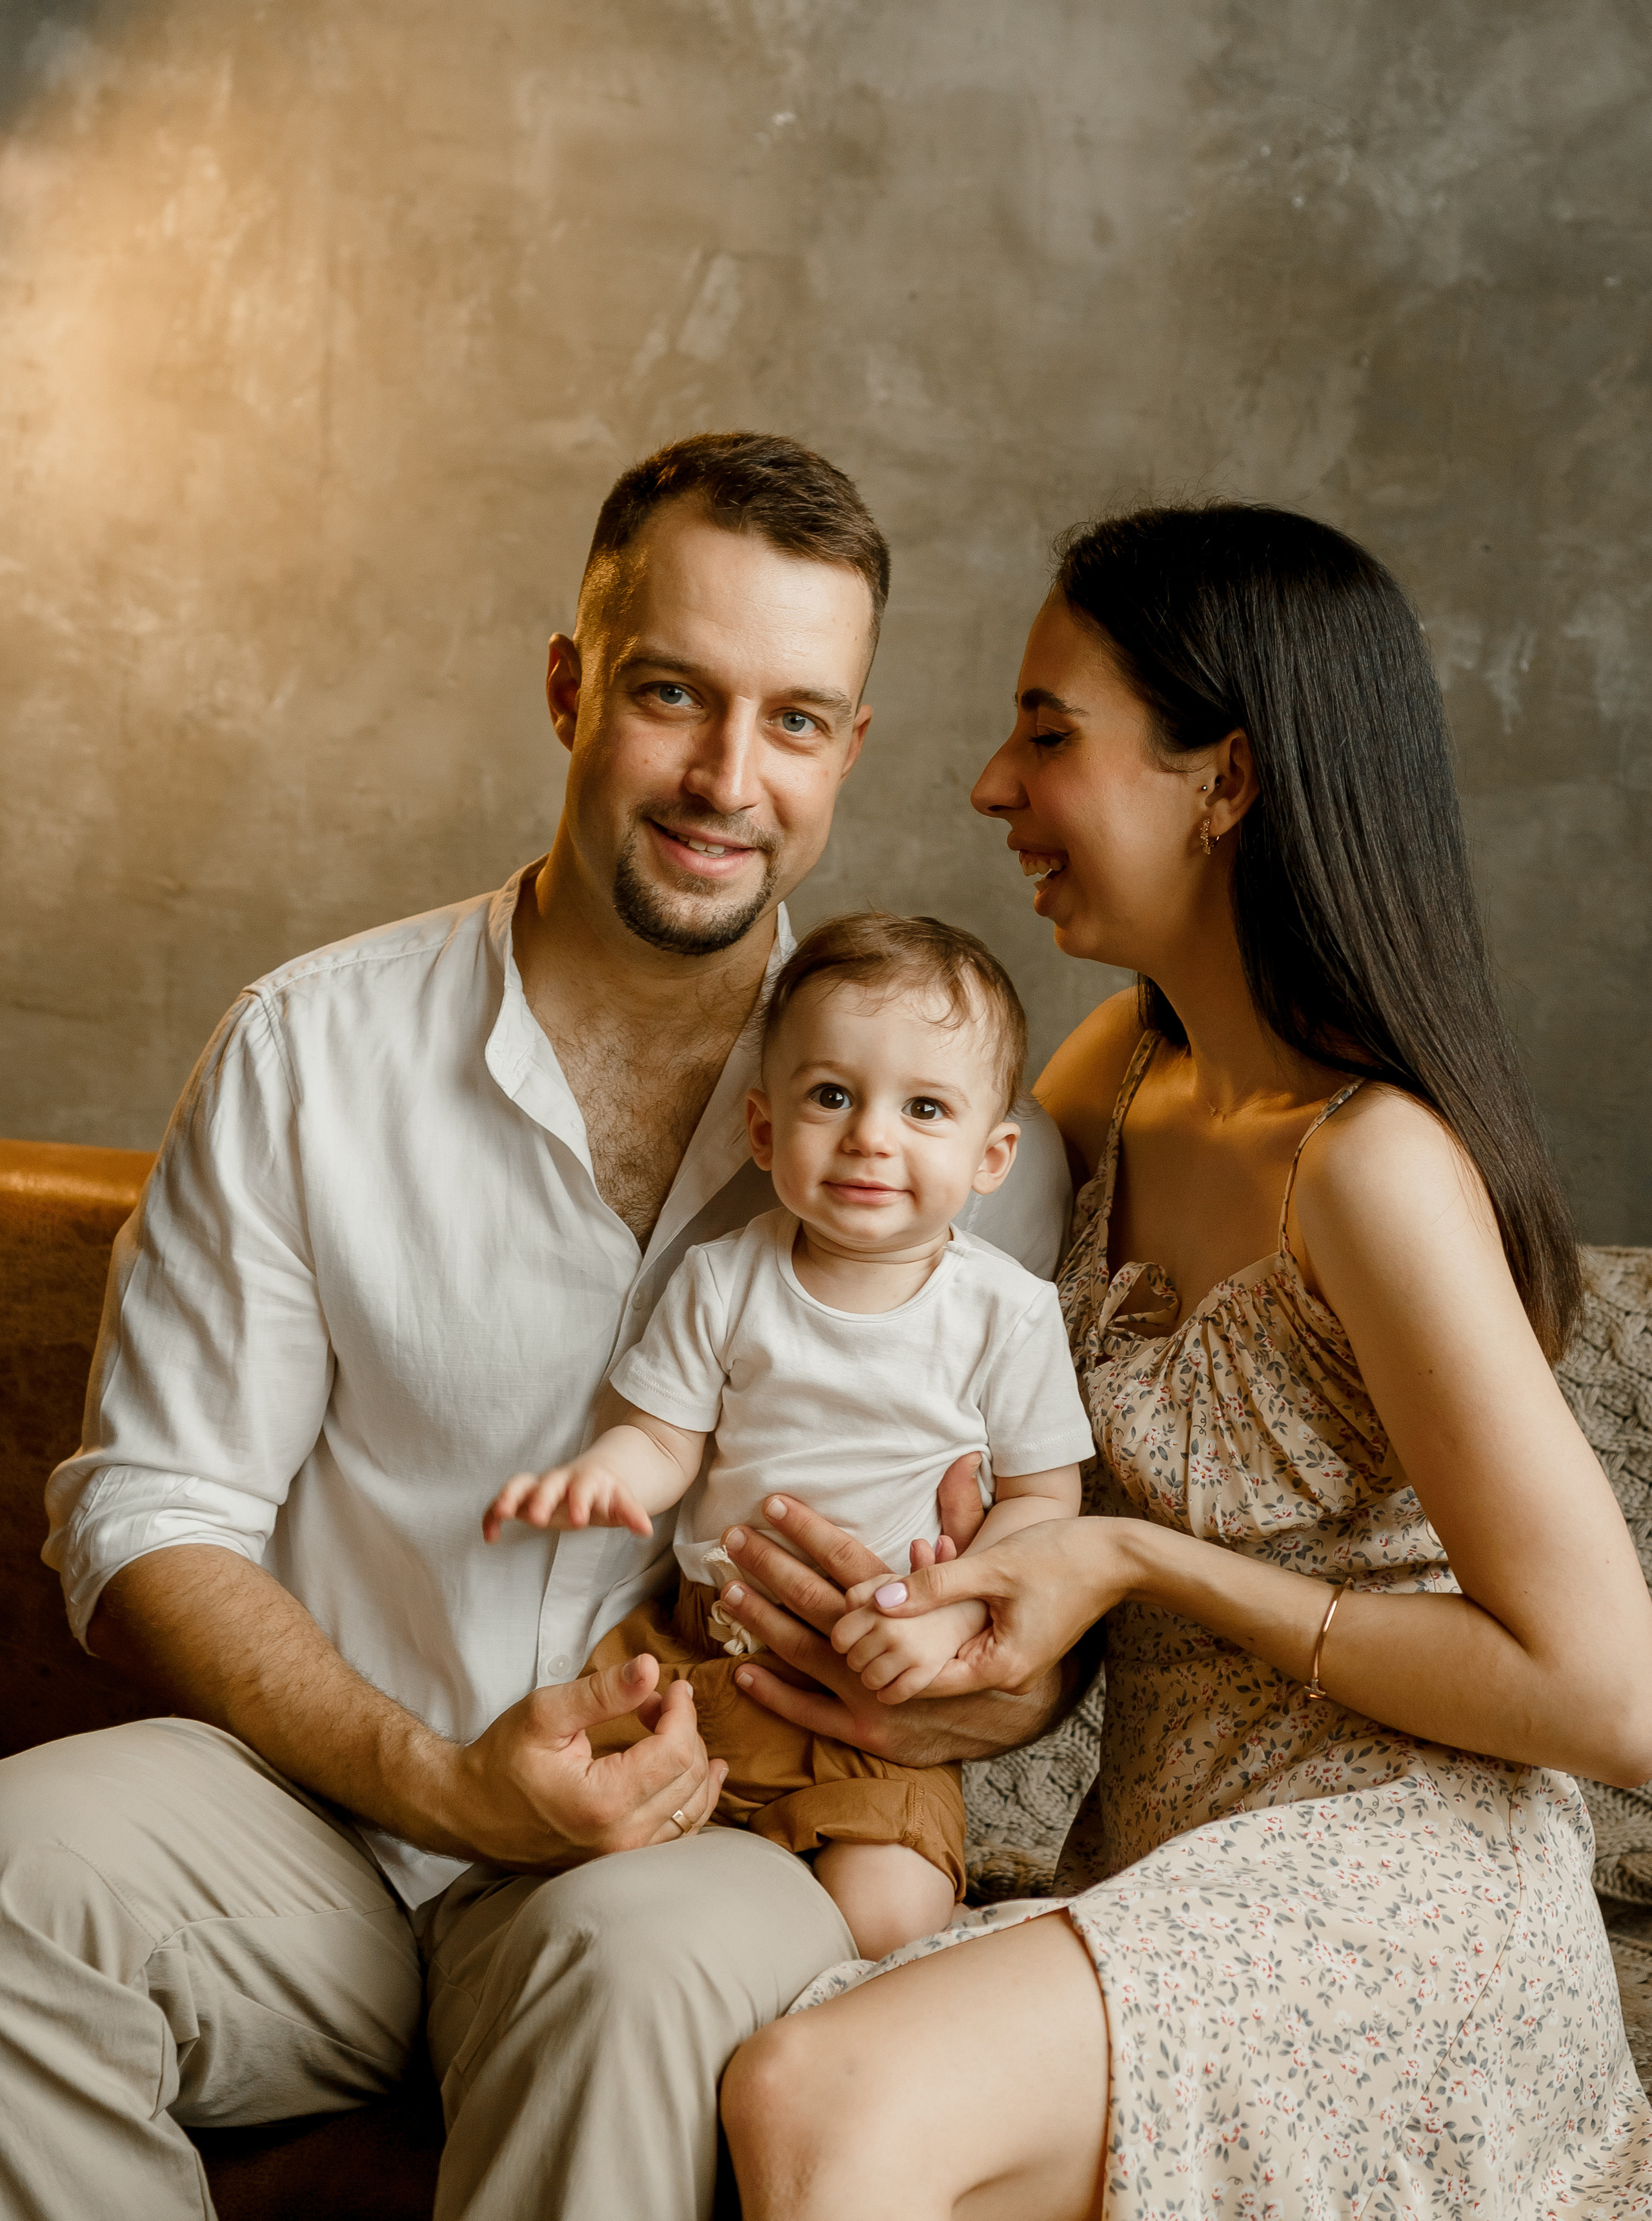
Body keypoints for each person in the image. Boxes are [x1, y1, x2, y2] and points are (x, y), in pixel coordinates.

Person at [0, 432, 1075, 2221]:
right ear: (572, 687)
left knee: (638, 1972)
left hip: (707, 1830)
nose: (731, 779)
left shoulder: (954, 1131)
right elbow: (146, 1518)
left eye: (797, 720)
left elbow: (1032, 1583)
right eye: (676, 695)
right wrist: (437, 1780)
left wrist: (980, 1681)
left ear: (851, 750)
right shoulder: (309, 1050)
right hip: (329, 1816)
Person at [720, 502, 1652, 2221]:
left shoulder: (1372, 1166)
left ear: (1224, 782)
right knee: (773, 2065)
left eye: (1048, 735)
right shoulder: (1109, 1078)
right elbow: (926, 1378)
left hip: (1399, 1883)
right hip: (1167, 1858)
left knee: (818, 2094)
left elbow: (1611, 1697)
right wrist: (913, 1611)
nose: (991, 786)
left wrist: (1141, 1559)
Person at [486, 911, 1093, 1958]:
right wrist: (602, 1474)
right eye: (831, 1097)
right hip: (702, 1651)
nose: (870, 1136)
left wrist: (950, 1616)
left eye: (926, 1109)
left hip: (886, 1680)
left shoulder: (1008, 1311)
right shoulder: (726, 1278)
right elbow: (666, 1439)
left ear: (992, 1155)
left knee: (890, 1915)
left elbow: (1045, 1500)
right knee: (589, 1864)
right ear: (766, 1134)